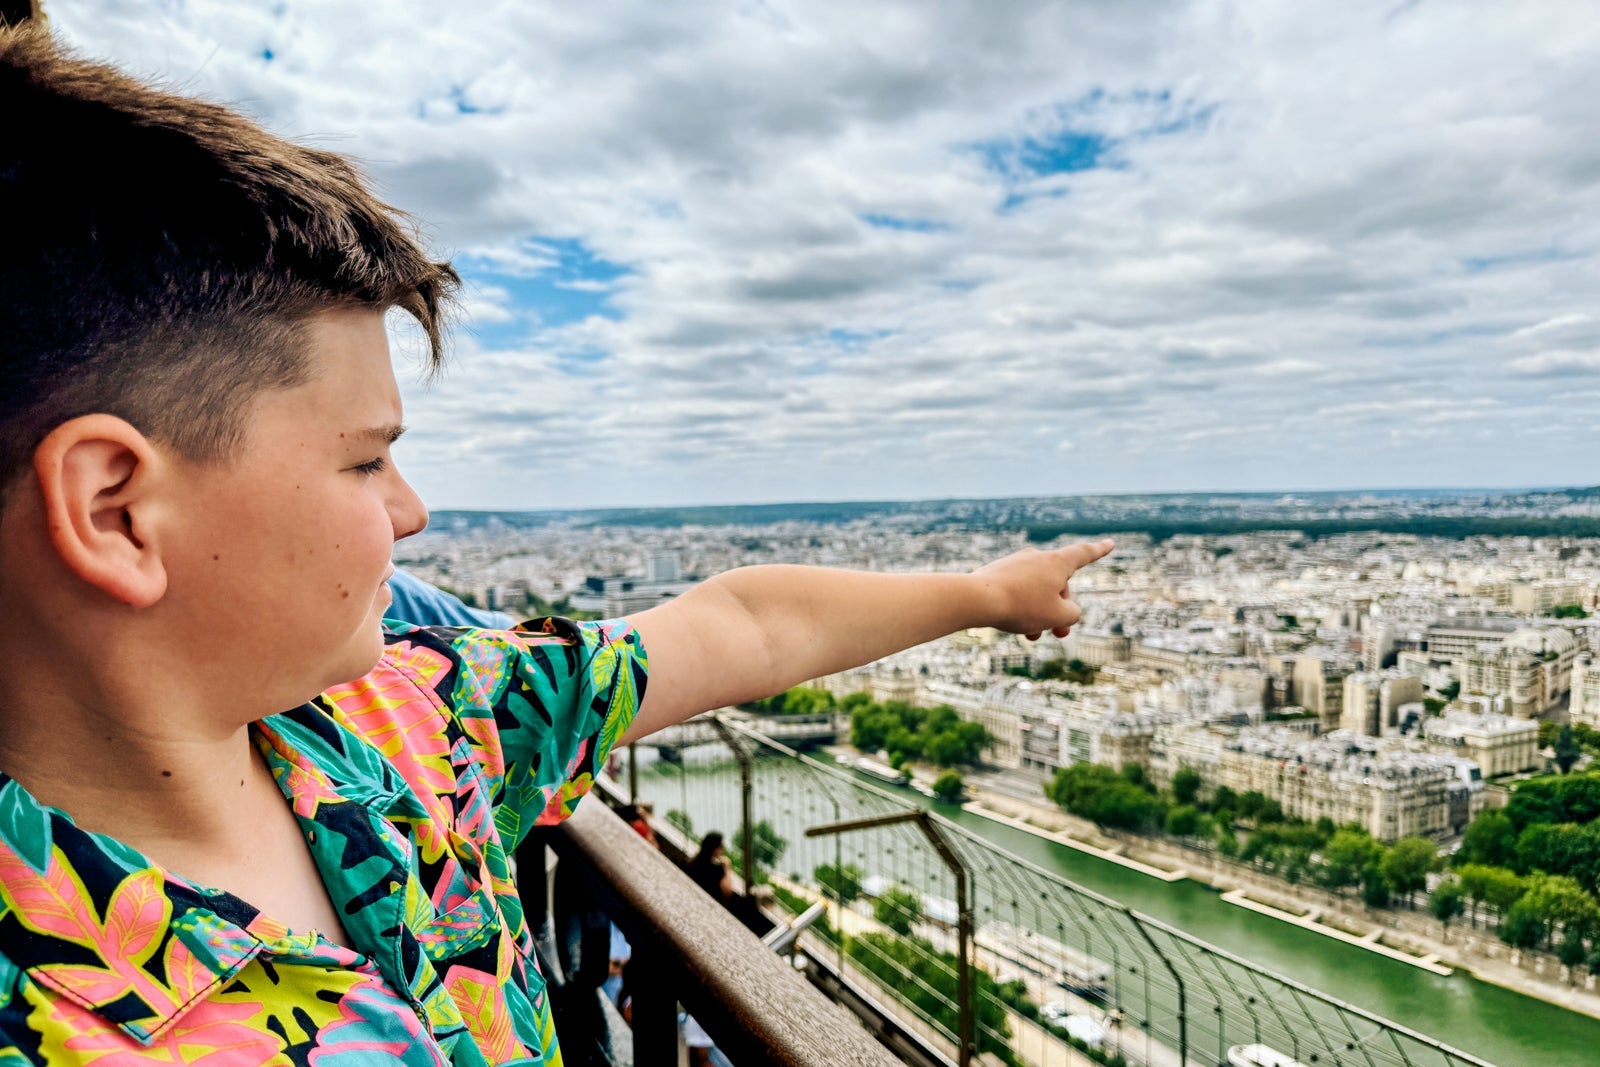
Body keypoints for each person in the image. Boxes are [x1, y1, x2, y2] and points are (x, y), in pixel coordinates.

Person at [0, 23, 1112, 1064]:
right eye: (363, 459)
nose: (409, 509)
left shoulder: (420, 708)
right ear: (117, 511)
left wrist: (985, 591)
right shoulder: (419, 721)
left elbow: (742, 622)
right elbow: (742, 620)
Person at [686, 833, 737, 906]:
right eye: (721, 846)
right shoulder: (716, 870)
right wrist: (727, 867)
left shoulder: (692, 863)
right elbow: (728, 891)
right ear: (715, 849)